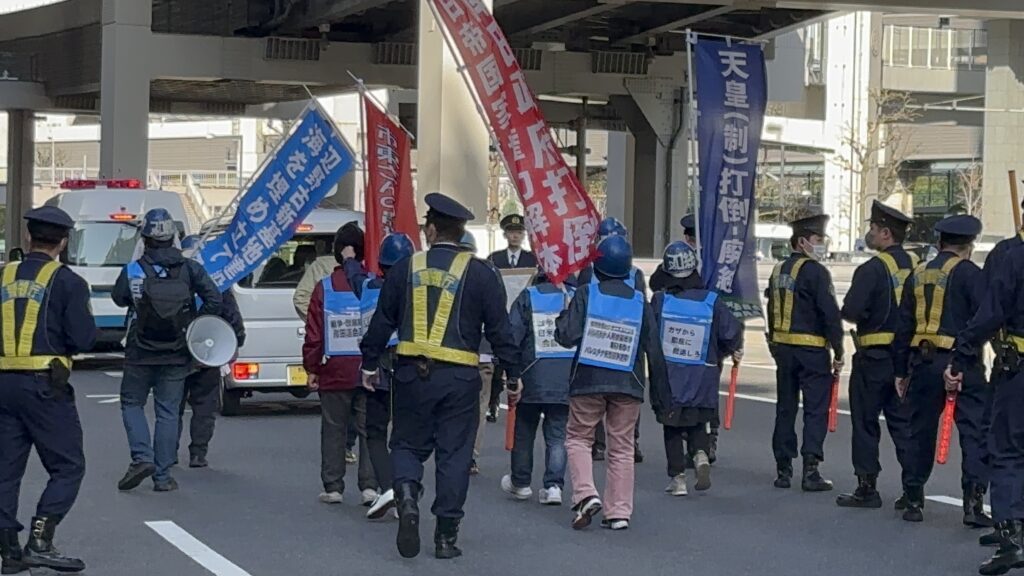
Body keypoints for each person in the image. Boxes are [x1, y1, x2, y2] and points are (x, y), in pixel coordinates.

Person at [360, 193, 520, 559]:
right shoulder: (482, 273)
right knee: (454, 455)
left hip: (410, 374)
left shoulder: (404, 269)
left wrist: (370, 363)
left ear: (431, 229)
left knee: (406, 445)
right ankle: (446, 537)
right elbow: (500, 331)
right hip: (460, 378)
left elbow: (381, 321)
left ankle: (406, 495)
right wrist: (513, 374)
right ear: (461, 231)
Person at [0, 207, 96, 574]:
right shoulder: (68, 282)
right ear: (63, 242)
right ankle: (40, 539)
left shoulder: (2, 276)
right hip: (44, 385)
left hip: (3, 384)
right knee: (68, 465)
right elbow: (83, 337)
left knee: (6, 469)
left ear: (28, 238)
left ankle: (9, 550)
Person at [555, 234, 667, 531]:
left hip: (588, 380)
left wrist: (563, 314)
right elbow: (654, 350)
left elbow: (565, 336)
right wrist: (661, 397)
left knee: (579, 437)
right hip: (627, 384)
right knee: (622, 446)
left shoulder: (586, 295)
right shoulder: (639, 303)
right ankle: (618, 512)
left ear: (598, 267)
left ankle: (585, 494)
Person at [113, 208, 222, 493]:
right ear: (173, 236)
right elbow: (214, 298)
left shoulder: (134, 269)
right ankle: (162, 477)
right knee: (168, 411)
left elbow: (118, 298)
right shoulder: (189, 269)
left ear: (145, 238)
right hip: (177, 350)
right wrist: (192, 324)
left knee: (131, 403)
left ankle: (141, 457)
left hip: (140, 350)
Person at [893, 214, 989, 524]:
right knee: (974, 433)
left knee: (918, 431)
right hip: (963, 363)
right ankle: (973, 506)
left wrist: (900, 370)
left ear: (939, 243)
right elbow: (984, 320)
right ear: (969, 246)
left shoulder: (917, 274)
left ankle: (913, 498)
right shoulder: (972, 275)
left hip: (923, 362)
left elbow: (903, 325)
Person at [947, 230, 1024, 575]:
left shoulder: (1013, 257)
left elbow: (990, 313)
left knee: (1007, 449)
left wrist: (961, 354)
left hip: (1018, 371)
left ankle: (1010, 536)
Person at [835, 201, 917, 509]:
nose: (869, 233)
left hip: (874, 359)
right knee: (904, 426)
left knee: (866, 422)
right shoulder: (919, 266)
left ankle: (867, 487)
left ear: (885, 233)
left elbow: (852, 310)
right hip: (908, 361)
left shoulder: (872, 269)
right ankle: (913, 493)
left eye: (872, 228)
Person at [651, 241, 743, 496]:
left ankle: (678, 478)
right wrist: (730, 350)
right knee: (697, 421)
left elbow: (649, 334)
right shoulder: (711, 301)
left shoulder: (661, 301)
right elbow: (731, 332)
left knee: (671, 426)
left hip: (670, 376)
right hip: (703, 374)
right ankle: (700, 453)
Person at [295, 222, 376, 502]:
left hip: (334, 370)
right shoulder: (372, 283)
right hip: (368, 368)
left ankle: (333, 487)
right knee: (369, 429)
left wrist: (312, 368)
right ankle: (369, 486)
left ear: (337, 252)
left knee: (333, 427)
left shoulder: (325, 287)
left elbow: (314, 333)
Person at [765, 213, 843, 492]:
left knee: (785, 407)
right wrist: (839, 348)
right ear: (802, 242)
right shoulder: (816, 272)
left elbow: (771, 312)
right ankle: (811, 469)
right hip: (812, 350)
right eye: (817, 239)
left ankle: (782, 468)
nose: (821, 244)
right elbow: (829, 313)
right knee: (815, 409)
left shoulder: (777, 271)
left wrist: (773, 343)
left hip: (783, 350)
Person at [343, 232, 416, 519]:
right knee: (405, 435)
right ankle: (405, 490)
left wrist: (349, 257)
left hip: (375, 365)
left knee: (375, 430)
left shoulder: (368, 287)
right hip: (410, 364)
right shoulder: (416, 290)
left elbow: (353, 275)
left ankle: (388, 488)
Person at [501, 266, 576, 505]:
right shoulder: (575, 297)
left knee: (524, 432)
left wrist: (512, 374)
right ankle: (554, 485)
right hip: (566, 378)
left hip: (531, 375)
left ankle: (521, 483)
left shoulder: (528, 296)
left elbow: (512, 335)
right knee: (557, 434)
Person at [578, 217, 647, 463]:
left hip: (597, 338)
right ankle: (629, 442)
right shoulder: (633, 273)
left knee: (594, 393)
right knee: (625, 396)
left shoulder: (590, 272)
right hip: (624, 339)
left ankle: (599, 444)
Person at [175, 235, 246, 469]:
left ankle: (168, 452)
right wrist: (236, 341)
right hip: (209, 350)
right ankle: (198, 453)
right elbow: (232, 315)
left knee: (172, 405)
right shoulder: (216, 281)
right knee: (204, 405)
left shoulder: (171, 280)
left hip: (176, 354)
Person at [486, 214, 537, 422]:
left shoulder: (532, 259)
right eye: (511, 232)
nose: (515, 236)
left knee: (522, 355)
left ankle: (522, 397)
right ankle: (494, 401)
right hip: (500, 313)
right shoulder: (494, 258)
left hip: (525, 315)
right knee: (497, 361)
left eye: (518, 232)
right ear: (505, 234)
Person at [463, 231, 499, 475]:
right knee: (480, 405)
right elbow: (499, 316)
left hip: (455, 353)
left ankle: (456, 451)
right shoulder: (490, 274)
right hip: (485, 352)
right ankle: (472, 456)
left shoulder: (449, 274)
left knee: (454, 407)